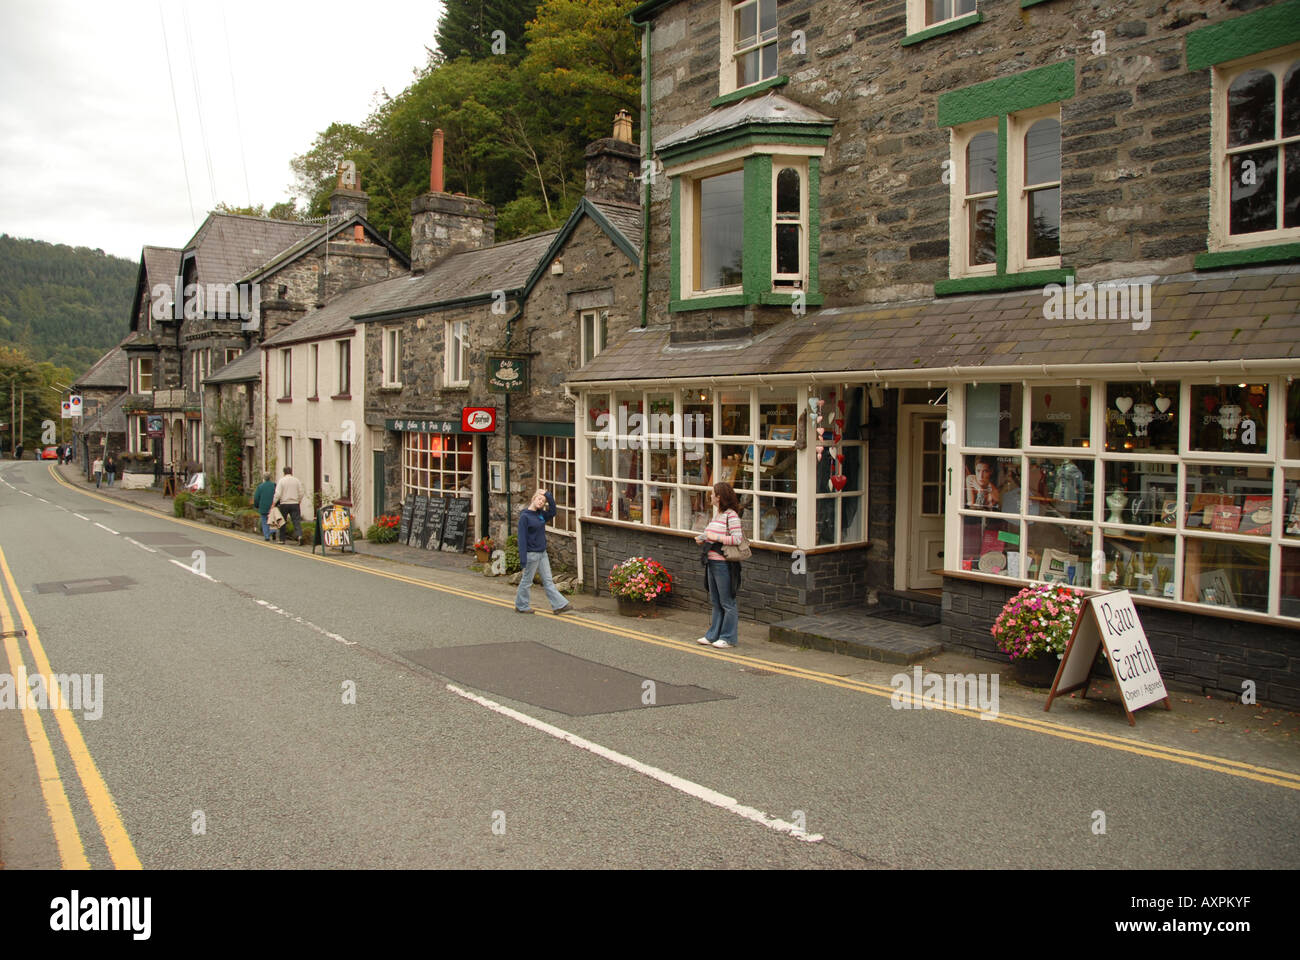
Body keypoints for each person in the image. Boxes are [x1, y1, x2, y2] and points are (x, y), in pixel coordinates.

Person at [695, 481, 744, 648]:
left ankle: (728, 637)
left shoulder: (732, 516)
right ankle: (713, 635)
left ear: (720, 497)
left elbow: (737, 539)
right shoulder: (719, 514)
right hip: (711, 561)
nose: (710, 496)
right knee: (716, 601)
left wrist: (716, 539)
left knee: (727, 602)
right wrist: (702, 538)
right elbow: (711, 532)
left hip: (724, 564)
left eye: (713, 493)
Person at [515, 488, 572, 615]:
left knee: (548, 580)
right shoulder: (525, 517)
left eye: (543, 501)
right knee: (527, 581)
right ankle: (521, 605)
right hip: (532, 554)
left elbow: (553, 511)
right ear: (533, 499)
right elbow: (522, 538)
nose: (541, 502)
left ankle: (559, 605)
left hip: (542, 553)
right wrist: (523, 559)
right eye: (539, 499)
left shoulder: (540, 514)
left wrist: (548, 495)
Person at [272, 466, 306, 544]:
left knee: (282, 521)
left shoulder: (281, 481)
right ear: (291, 472)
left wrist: (274, 503)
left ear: (284, 472)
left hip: (284, 503)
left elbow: (278, 494)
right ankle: (299, 536)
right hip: (295, 503)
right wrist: (299, 500)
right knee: (296, 521)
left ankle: (282, 539)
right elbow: (301, 492)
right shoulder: (296, 480)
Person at [253, 472, 277, 541]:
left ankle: (267, 536)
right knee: (272, 519)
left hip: (263, 507)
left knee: (264, 521)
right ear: (270, 478)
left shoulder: (260, 486)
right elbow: (277, 495)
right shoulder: (274, 485)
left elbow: (256, 498)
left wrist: (256, 505)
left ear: (264, 478)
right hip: (272, 506)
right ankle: (273, 532)